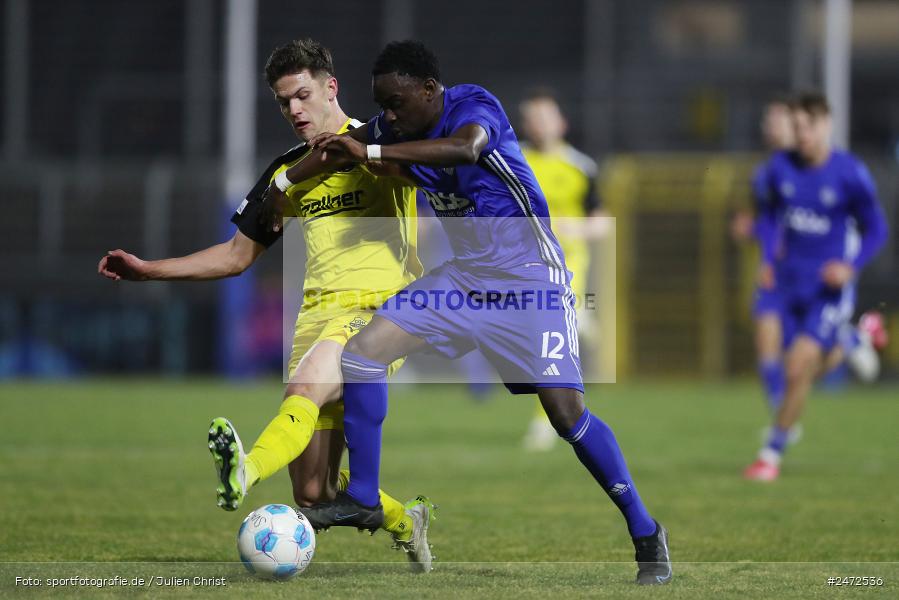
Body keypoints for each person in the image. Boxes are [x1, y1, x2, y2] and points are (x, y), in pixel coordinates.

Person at [262, 40, 672, 585]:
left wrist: (376, 155)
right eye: (382, 105)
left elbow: (466, 150)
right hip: (466, 278)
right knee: (362, 355)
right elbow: (341, 146)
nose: (389, 115)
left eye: (398, 102)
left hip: (530, 278)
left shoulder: (473, 106)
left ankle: (646, 533)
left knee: (566, 415)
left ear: (430, 90)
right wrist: (285, 184)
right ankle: (362, 494)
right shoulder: (393, 128)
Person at [97, 39, 435, 571]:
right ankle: (404, 519)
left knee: (304, 387)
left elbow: (419, 173)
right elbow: (235, 256)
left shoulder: (377, 140)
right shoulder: (284, 173)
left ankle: (244, 473)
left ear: (331, 87)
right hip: (315, 319)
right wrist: (148, 270)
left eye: (302, 95)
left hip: (380, 312)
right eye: (283, 102)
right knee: (312, 493)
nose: (294, 110)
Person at [743, 92, 889, 482]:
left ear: (826, 125)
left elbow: (877, 228)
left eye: (809, 125)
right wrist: (768, 258)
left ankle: (771, 454)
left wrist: (851, 267)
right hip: (784, 279)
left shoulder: (849, 172)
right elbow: (771, 218)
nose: (802, 133)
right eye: (797, 126)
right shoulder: (778, 169)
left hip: (827, 288)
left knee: (799, 367)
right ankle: (853, 343)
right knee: (766, 341)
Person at [518, 89, 609, 451]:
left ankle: (546, 421)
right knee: (534, 345)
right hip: (523, 265)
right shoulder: (514, 160)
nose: (539, 125)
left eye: (546, 117)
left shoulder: (580, 167)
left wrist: (573, 229)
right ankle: (581, 320)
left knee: (548, 346)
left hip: (567, 268)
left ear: (561, 123)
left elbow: (603, 224)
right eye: (533, 118)